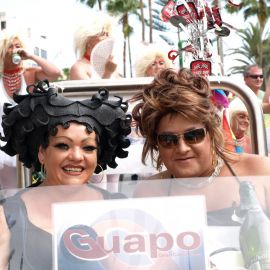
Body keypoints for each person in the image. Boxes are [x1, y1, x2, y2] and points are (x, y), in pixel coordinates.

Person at [0, 80, 131, 269]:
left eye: (88, 147)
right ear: (42, 153)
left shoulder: (120, 211)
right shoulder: (7, 214)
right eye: (63, 145)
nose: (77, 157)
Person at [131, 68, 270, 225]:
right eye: (168, 140)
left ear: (211, 132)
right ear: (156, 143)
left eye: (193, 136)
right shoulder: (149, 192)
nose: (182, 148)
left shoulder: (260, 172)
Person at [0, 29, 61, 188]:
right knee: (9, 188)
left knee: (29, 185)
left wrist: (30, 56)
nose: (15, 50)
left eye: (18, 46)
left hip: (26, 138)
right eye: (10, 47)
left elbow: (55, 73)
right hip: (2, 141)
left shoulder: (28, 73)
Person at [70, 12, 120, 80]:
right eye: (102, 34)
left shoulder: (113, 68)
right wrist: (107, 73)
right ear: (88, 40)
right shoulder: (79, 68)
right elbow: (93, 91)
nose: (106, 38)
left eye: (107, 34)